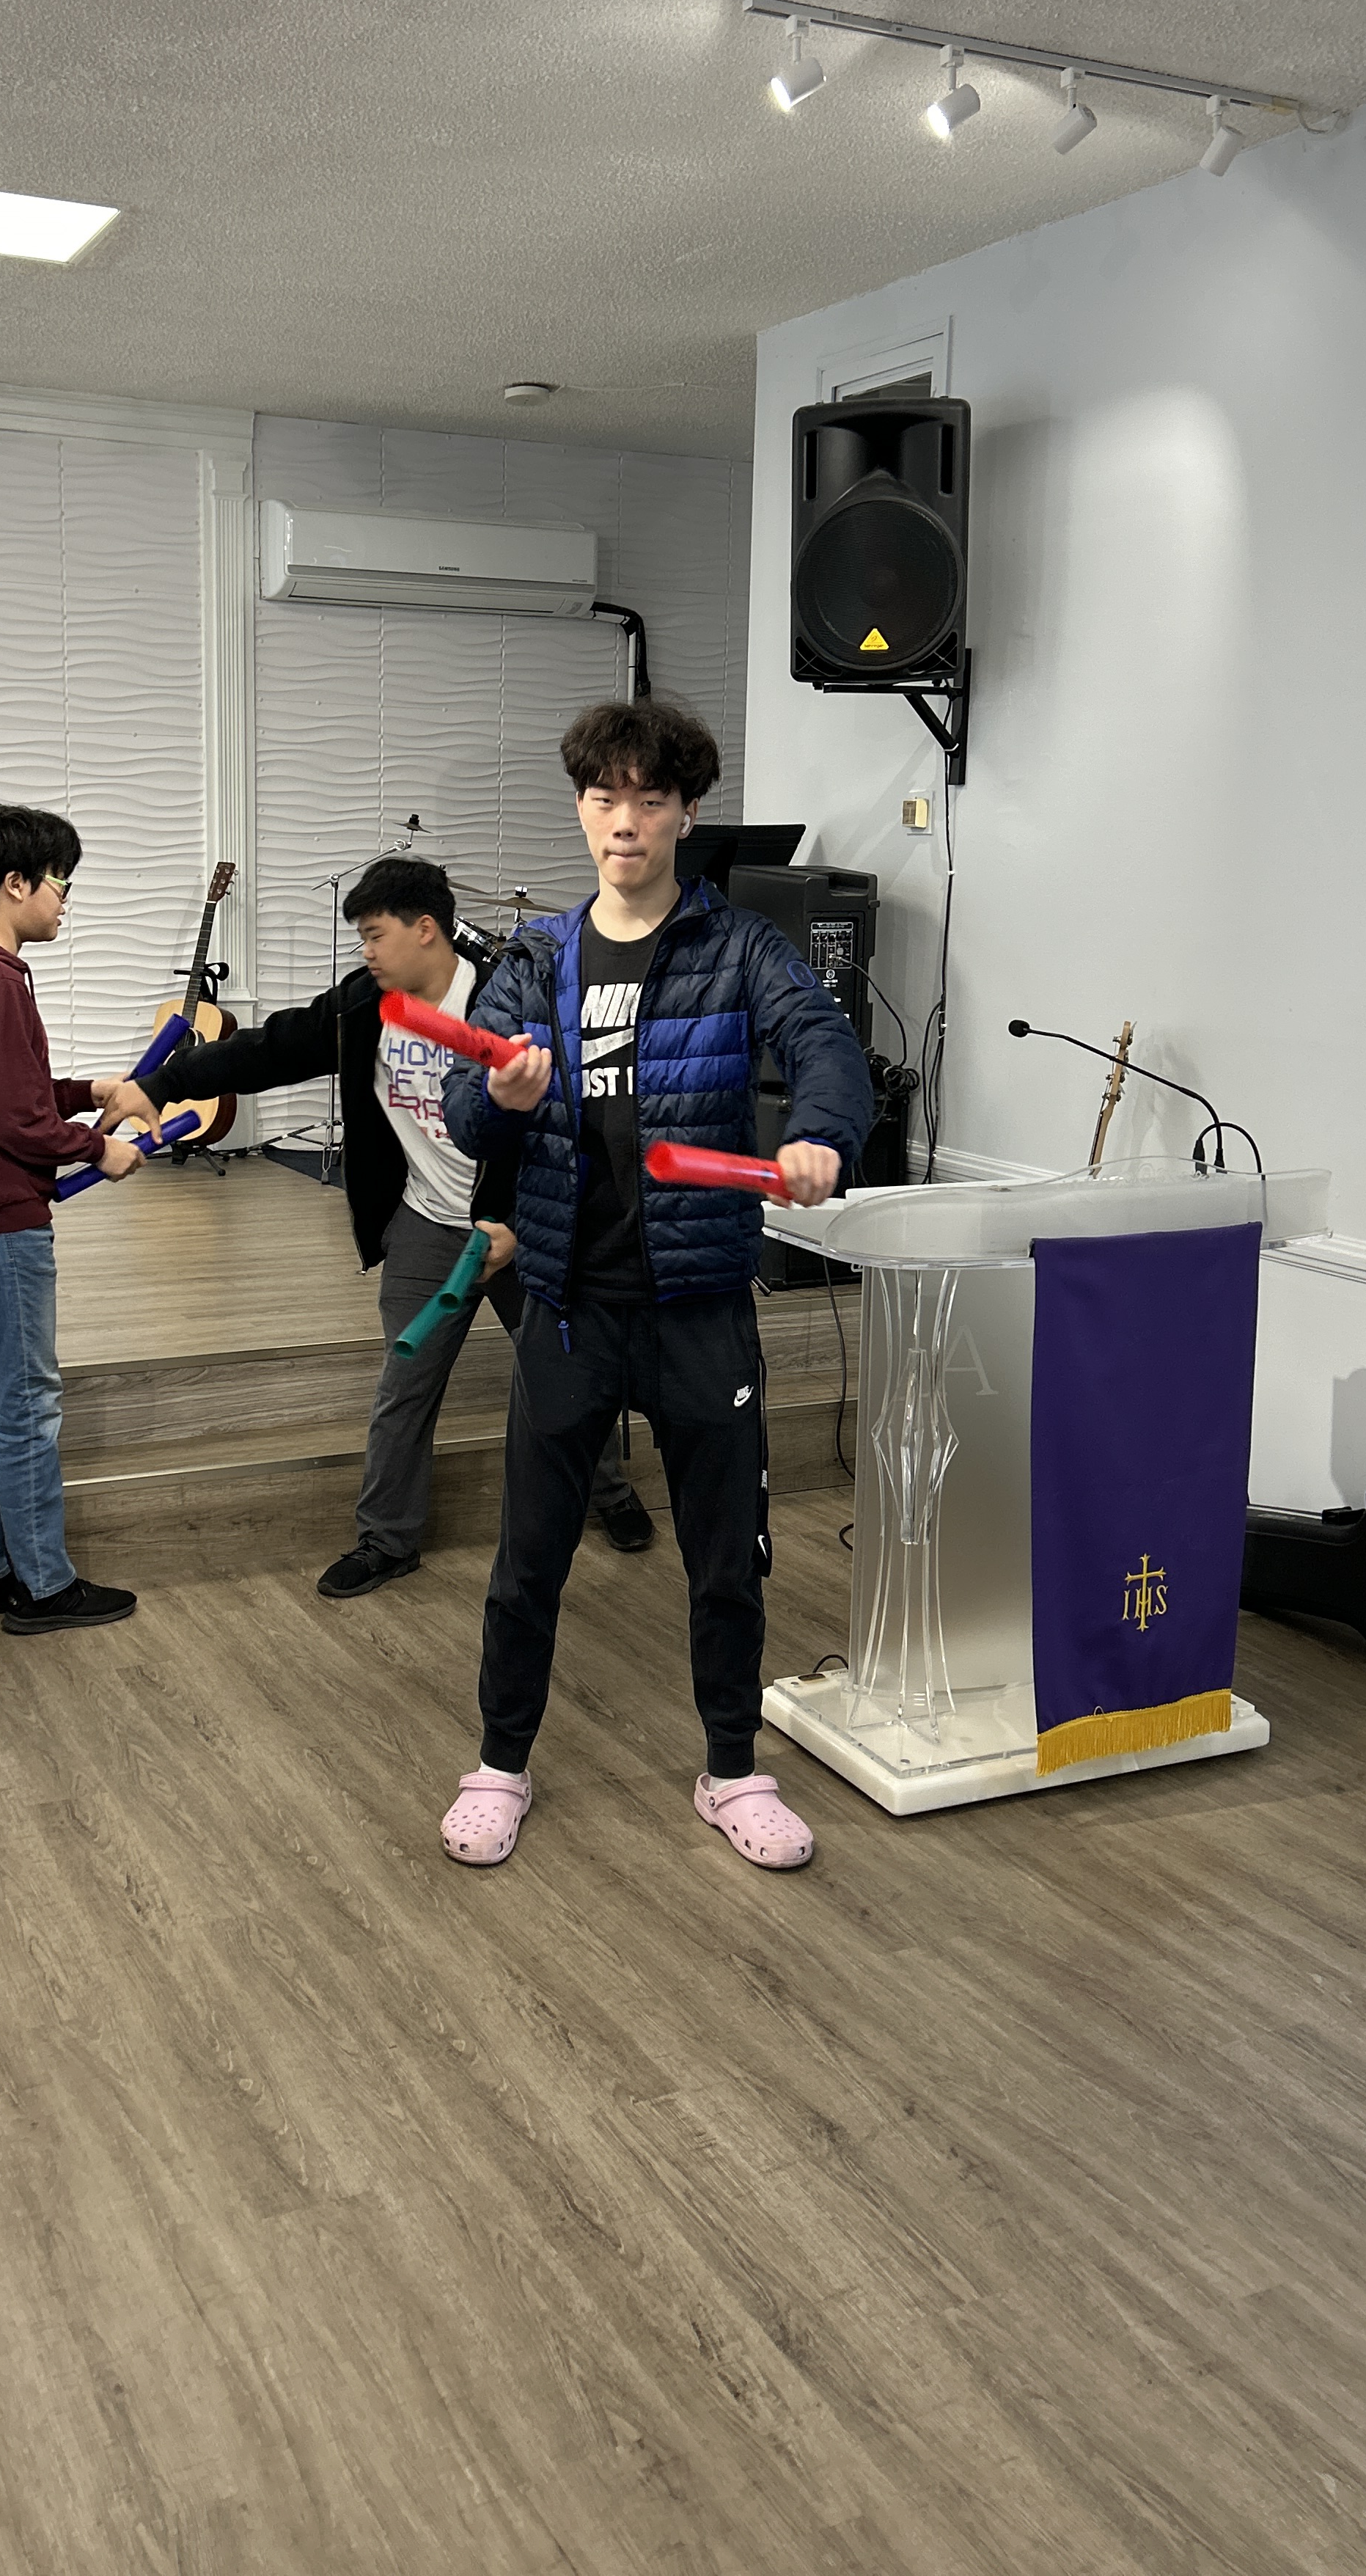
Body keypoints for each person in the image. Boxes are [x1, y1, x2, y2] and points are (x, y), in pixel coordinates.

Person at [433, 701, 873, 1873]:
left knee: (727, 1561)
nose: (624, 821)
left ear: (685, 813)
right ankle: (500, 1765)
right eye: (604, 798)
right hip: (569, 1309)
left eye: (649, 799)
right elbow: (467, 1107)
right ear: (581, 810)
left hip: (701, 1309)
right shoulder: (535, 960)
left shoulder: (739, 948)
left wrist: (821, 1133)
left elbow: (825, 1044)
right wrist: (501, 1100)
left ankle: (732, 1770)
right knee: (530, 1559)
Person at [114, 854, 653, 1598]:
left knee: (565, 1374)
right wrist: (161, 1084)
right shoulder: (366, 1005)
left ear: (425, 929)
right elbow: (270, 1049)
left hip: (524, 1225)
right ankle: (388, 1540)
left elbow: (570, 1125)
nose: (365, 951)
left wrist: (522, 1223)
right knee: (406, 1385)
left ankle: (611, 1492)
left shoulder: (514, 1003)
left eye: (375, 935)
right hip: (428, 1226)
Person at [0, 803, 150, 1635]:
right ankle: (44, 1586)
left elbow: (5, 1091)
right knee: (25, 1405)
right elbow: (15, 1120)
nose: (65, 902)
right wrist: (98, 1147)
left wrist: (90, 1092)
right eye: (61, 884)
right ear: (16, 884)